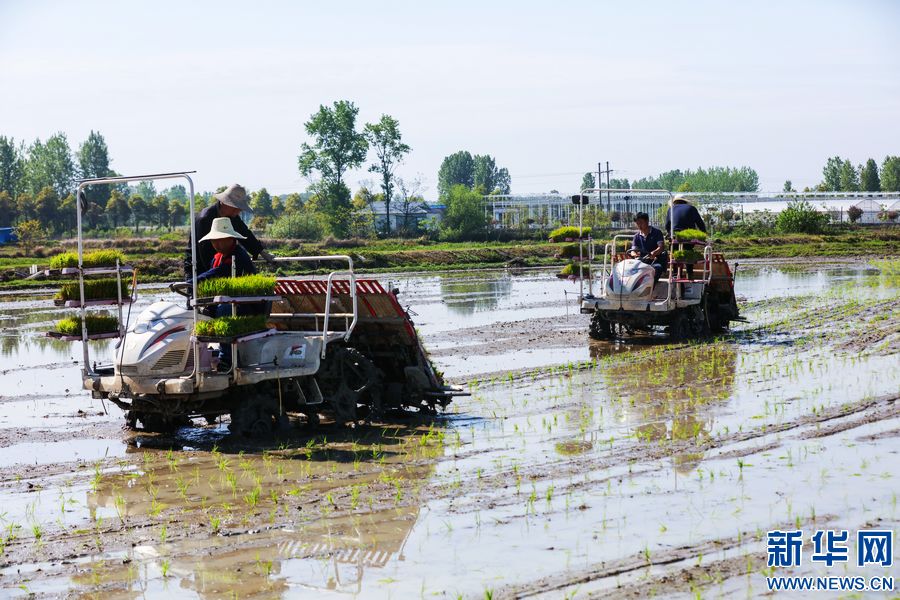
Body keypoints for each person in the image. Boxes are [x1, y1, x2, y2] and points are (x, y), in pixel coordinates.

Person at [184, 183, 275, 278]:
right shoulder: (205, 219)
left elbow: (244, 233)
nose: (238, 211)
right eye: (235, 207)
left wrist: (260, 251)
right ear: (224, 202)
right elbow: (205, 254)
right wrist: (214, 274)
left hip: (218, 267)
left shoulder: (232, 217)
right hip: (196, 267)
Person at [628, 212, 668, 282]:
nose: (639, 225)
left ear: (647, 221)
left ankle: (651, 289)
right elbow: (633, 250)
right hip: (641, 262)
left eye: (641, 223)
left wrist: (654, 253)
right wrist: (634, 254)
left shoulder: (657, 233)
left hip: (655, 261)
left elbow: (661, 247)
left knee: (657, 268)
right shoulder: (636, 236)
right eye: (637, 223)